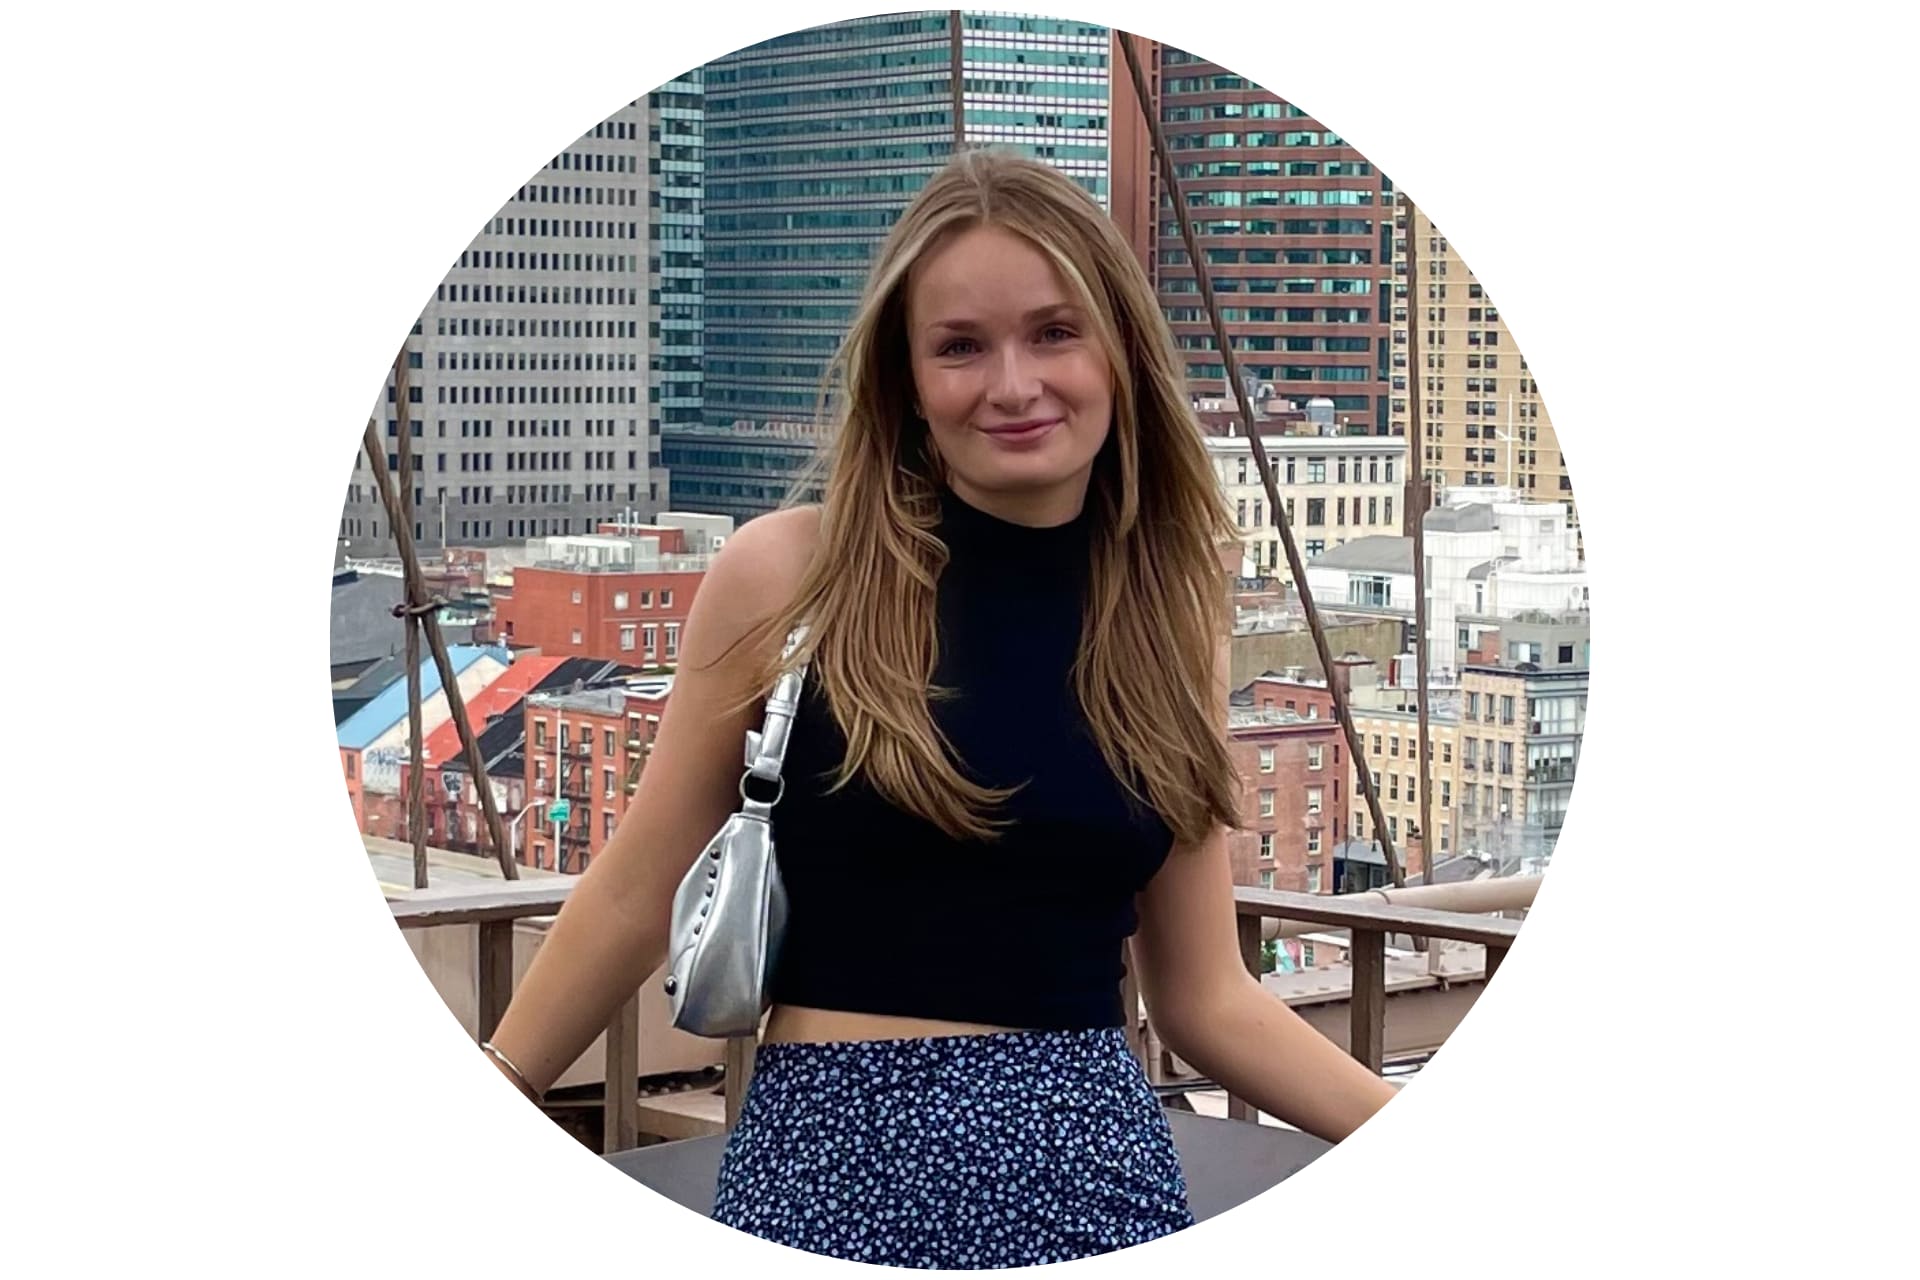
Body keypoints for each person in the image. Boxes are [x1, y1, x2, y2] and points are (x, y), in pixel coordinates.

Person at [480, 148, 1397, 1268]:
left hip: (1098, 1182)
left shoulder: (1170, 604)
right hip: (831, 1182)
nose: (1014, 383)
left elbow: (1205, 994)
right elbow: (633, 890)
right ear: (907, 382)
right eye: (961, 346)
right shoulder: (790, 575)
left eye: (1055, 331)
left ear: (1119, 351)